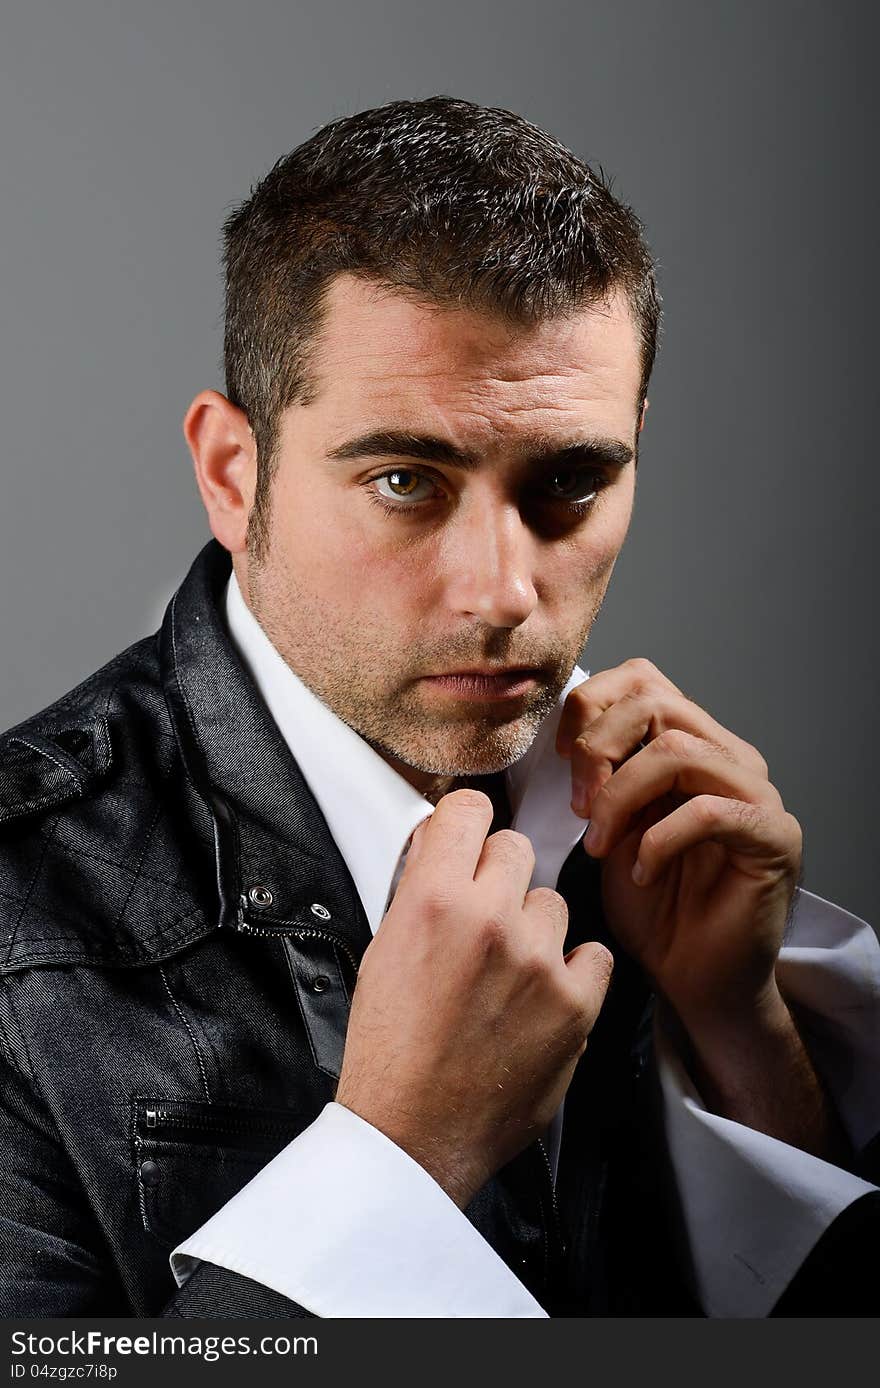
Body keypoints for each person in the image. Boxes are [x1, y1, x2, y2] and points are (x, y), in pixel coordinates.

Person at [0, 96, 877, 1320]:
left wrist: (741, 1030)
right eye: (406, 480)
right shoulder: (19, 909)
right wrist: (400, 1157)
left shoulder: (674, 848)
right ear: (230, 472)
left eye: (569, 481)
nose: (504, 593)